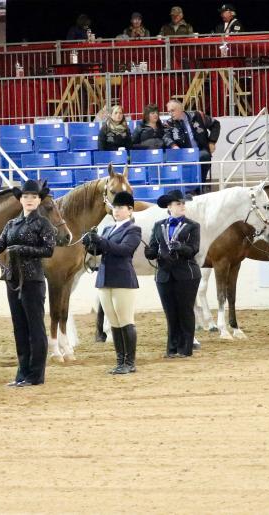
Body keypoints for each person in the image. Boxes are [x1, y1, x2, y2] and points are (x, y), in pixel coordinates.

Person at [0, 179, 56, 387]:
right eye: (26, 196)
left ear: (39, 200)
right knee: (19, 328)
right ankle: (22, 373)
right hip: (13, 280)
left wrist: (22, 249)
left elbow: (49, 250)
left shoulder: (43, 224)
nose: (29, 200)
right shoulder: (11, 224)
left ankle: (36, 375)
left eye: (33, 197)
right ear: (20, 200)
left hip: (32, 280)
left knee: (35, 327)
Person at [82, 191, 142, 373]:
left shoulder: (133, 230)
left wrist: (101, 241)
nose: (116, 211)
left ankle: (129, 362)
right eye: (115, 207)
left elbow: (124, 250)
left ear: (130, 210)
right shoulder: (108, 229)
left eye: (120, 208)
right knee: (114, 323)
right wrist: (90, 243)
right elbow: (100, 251)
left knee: (125, 320)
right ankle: (120, 361)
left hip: (123, 278)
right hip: (105, 278)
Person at [143, 190, 201, 358]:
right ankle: (171, 348)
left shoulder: (192, 226)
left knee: (185, 311)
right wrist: (150, 252)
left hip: (187, 274)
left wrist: (180, 247)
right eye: (178, 203)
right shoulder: (158, 225)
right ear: (169, 207)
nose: (182, 206)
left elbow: (193, 249)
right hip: (164, 274)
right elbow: (154, 247)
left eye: (183, 203)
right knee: (170, 313)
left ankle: (186, 348)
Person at [163, 100, 220, 190]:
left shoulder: (197, 116)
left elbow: (216, 124)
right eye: (169, 111)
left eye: (172, 110)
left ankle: (199, 186)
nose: (170, 113)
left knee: (204, 156)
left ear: (181, 109)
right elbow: (166, 136)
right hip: (182, 153)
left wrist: (212, 142)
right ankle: (188, 188)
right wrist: (173, 145)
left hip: (200, 150)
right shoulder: (169, 123)